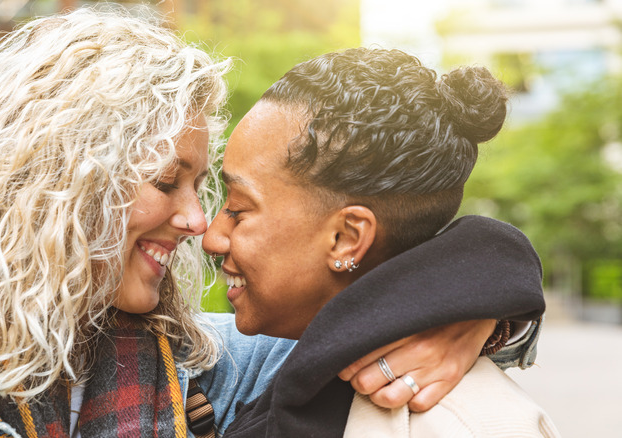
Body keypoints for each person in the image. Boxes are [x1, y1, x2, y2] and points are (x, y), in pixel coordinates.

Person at [0, 8, 540, 438]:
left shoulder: (212, 367)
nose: (197, 221)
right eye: (165, 181)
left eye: (209, 190)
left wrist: (473, 308)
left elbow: (376, 287)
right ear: (52, 188)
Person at [202, 47, 558, 436]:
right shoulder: (287, 366)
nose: (211, 237)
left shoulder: (469, 425)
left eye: (238, 208)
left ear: (345, 238)